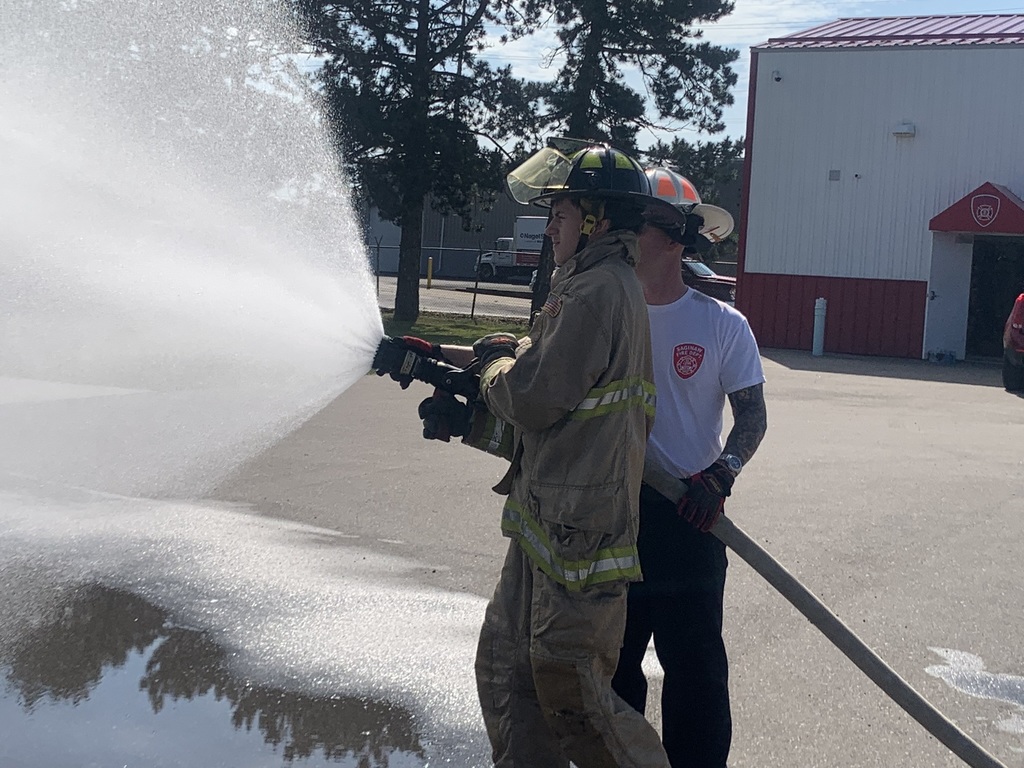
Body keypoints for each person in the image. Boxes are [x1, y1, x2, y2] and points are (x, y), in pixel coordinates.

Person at [412, 140, 671, 767]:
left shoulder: (595, 293)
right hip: (545, 528)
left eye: (560, 213)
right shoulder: (584, 288)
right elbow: (561, 428)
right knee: (508, 676)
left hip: (578, 542)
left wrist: (493, 367)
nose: (549, 225)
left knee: (573, 697)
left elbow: (530, 397)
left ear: (596, 220)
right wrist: (472, 419)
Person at [610, 166, 768, 768]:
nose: (621, 237)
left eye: (636, 225)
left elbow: (751, 420)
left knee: (696, 674)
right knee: (613, 670)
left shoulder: (722, 325)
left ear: (675, 237)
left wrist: (720, 475)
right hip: (612, 515)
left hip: (689, 518)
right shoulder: (601, 312)